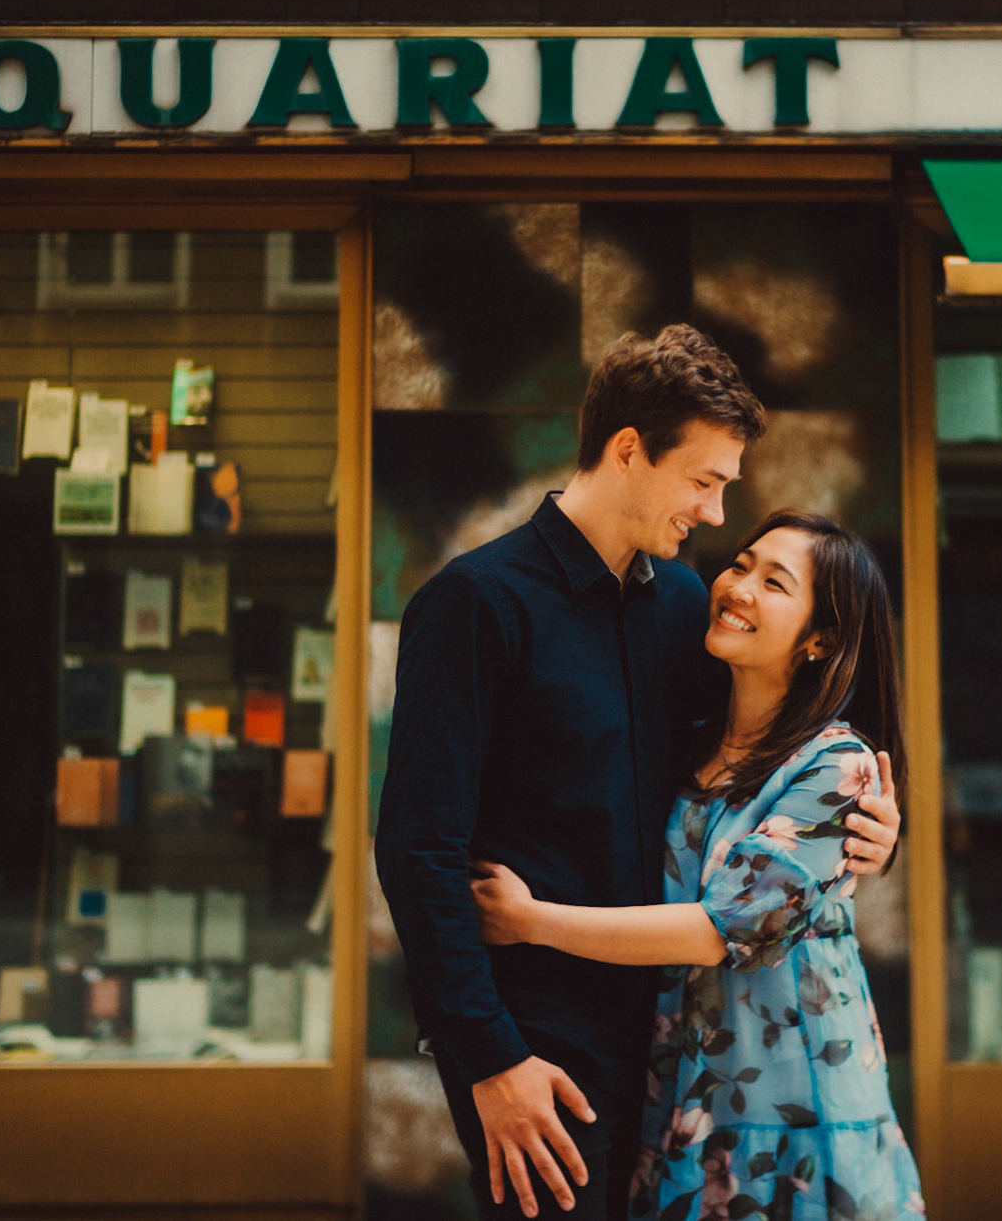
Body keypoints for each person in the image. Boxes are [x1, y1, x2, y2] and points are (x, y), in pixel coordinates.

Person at [375, 327, 903, 1221]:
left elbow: (755, 793)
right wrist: (490, 1060)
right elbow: (420, 849)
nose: (713, 512)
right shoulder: (475, 605)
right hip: (538, 1053)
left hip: (682, 1050)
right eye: (703, 480)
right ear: (629, 451)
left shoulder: (690, 610)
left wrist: (864, 847)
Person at [471, 511, 924, 1220]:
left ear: (820, 640)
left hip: (793, 1100)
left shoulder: (837, 765)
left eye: (773, 581)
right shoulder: (689, 745)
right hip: (689, 1085)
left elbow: (720, 929)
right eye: (741, 564)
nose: (738, 586)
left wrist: (530, 920)